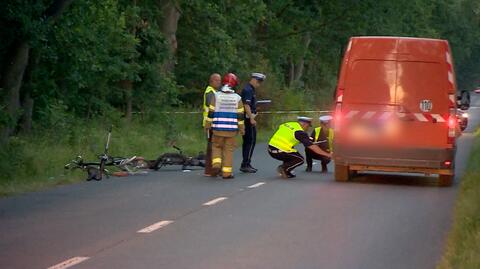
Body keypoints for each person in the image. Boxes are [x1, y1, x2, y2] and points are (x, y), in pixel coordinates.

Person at [205, 73, 245, 179]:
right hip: (231, 131)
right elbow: (240, 116)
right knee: (228, 151)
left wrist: (208, 125)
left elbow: (211, 113)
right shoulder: (237, 98)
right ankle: (227, 173)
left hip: (217, 129)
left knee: (216, 147)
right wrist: (242, 129)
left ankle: (216, 165)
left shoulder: (216, 96)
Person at [240, 72, 266, 173]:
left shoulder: (250, 89)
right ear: (254, 79)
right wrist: (251, 118)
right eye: (258, 82)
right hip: (247, 119)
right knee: (250, 141)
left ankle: (246, 163)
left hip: (248, 118)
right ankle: (245, 163)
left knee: (249, 141)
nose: (259, 84)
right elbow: (246, 105)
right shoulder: (248, 89)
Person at [202, 73, 222, 176]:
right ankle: (209, 170)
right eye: (217, 80)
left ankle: (214, 168)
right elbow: (212, 105)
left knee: (214, 145)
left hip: (214, 122)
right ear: (212, 81)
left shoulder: (215, 91)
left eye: (220, 81)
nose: (219, 83)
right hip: (209, 123)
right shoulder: (210, 92)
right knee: (211, 146)